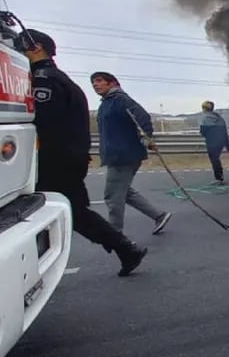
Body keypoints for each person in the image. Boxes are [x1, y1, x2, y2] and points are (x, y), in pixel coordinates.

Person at [21, 30, 147, 276]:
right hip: (67, 158)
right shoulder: (59, 79)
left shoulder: (45, 81)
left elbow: (43, 124)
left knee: (65, 212)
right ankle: (125, 248)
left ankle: (125, 248)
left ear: (36, 48)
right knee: (72, 212)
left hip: (55, 161)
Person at [91, 72, 173, 234]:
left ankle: (115, 235)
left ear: (112, 83)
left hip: (124, 155)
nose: (95, 85)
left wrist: (147, 138)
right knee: (125, 192)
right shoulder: (106, 103)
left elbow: (142, 118)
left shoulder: (121, 100)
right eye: (93, 82)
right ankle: (159, 216)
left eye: (99, 81)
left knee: (113, 196)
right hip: (117, 154)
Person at [199, 100, 229, 184]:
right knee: (216, 159)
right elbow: (225, 131)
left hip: (212, 142)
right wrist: (227, 145)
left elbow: (202, 132)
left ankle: (219, 178)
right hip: (221, 142)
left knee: (214, 159)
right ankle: (220, 177)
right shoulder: (219, 117)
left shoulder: (205, 118)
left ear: (204, 108)